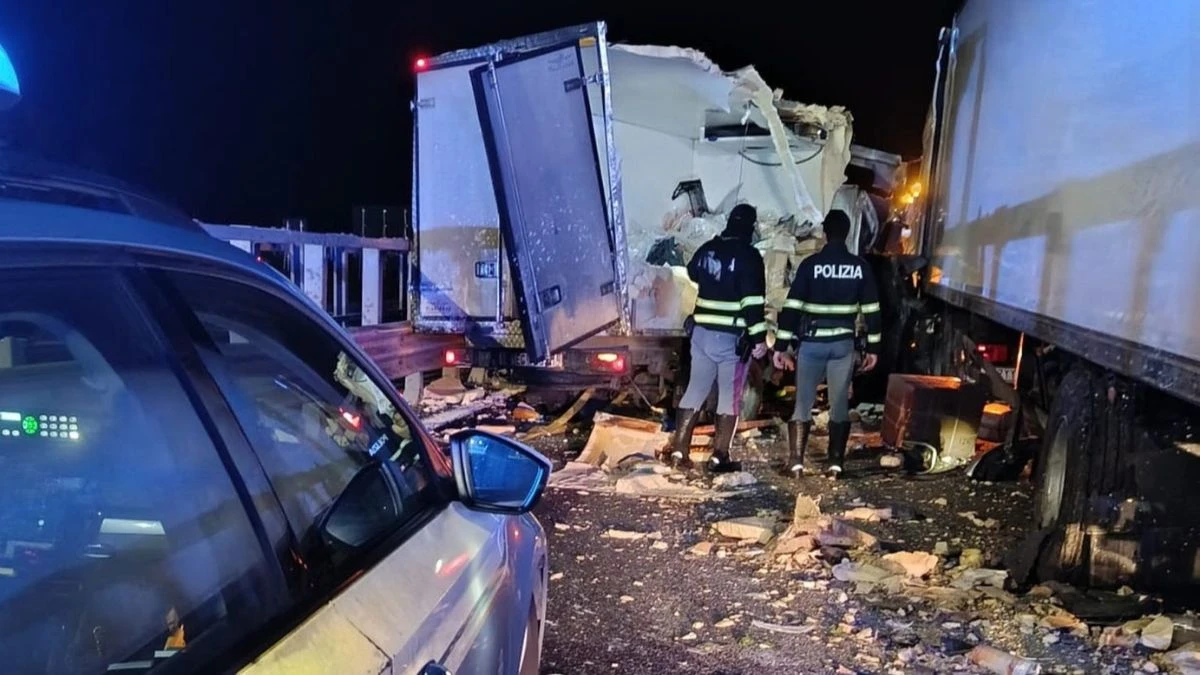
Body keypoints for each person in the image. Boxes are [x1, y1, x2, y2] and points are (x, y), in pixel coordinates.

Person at [774, 209, 882, 478]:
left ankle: (796, 463)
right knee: (839, 404)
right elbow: (872, 311)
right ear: (846, 234)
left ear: (824, 234)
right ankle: (836, 464)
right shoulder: (860, 267)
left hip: (812, 345)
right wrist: (873, 349)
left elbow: (792, 308)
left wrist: (781, 346)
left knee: (803, 402)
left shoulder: (811, 265)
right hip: (843, 346)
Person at [666, 203, 768, 473]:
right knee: (729, 397)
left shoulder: (709, 248)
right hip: (731, 339)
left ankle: (679, 451)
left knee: (696, 389)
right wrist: (759, 339)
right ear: (749, 226)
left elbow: (692, 272)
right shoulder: (750, 256)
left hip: (701, 333)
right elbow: (753, 302)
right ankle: (719, 456)